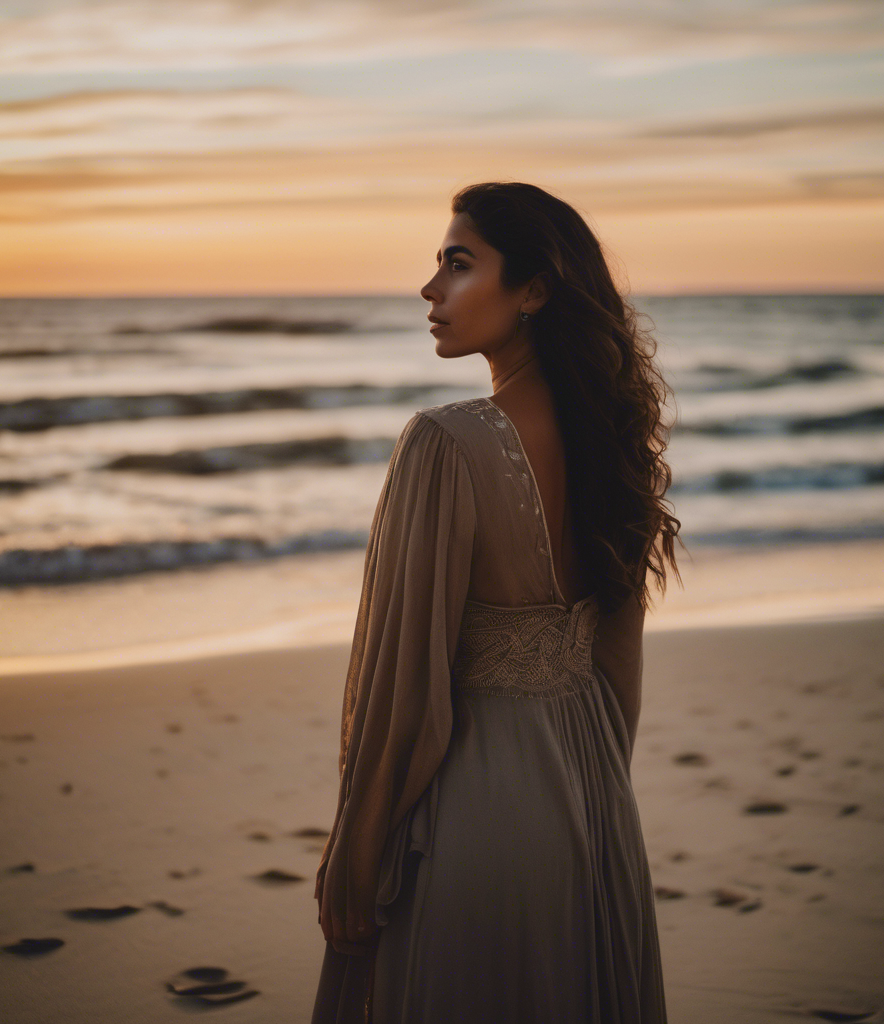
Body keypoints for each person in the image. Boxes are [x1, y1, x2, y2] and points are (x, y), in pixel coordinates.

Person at [312, 181, 681, 1023]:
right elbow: (618, 664)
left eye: (458, 263)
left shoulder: (445, 444)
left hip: (478, 802)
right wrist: (600, 799)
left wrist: (358, 847)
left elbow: (408, 686)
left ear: (534, 291)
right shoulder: (615, 443)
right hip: (594, 794)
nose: (430, 288)